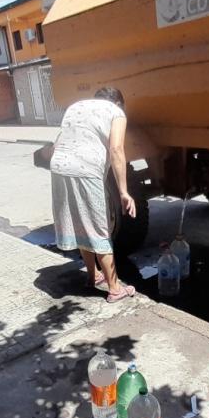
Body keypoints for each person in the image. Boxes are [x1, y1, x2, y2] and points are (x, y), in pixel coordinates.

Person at [48, 86, 137, 303]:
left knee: (80, 223)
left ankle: (92, 276)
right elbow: (116, 149)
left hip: (59, 166)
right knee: (99, 227)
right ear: (117, 102)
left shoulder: (76, 107)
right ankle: (115, 289)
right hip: (85, 170)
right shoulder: (115, 112)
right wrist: (124, 191)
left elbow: (60, 141)